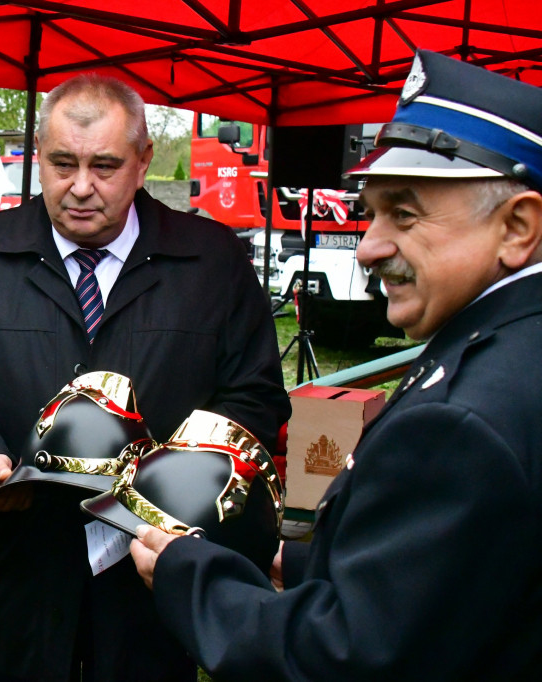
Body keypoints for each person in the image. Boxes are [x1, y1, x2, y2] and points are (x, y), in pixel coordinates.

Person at [131, 49, 542, 681]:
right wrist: (303, 563)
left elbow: (347, 657)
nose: (370, 246)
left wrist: (190, 576)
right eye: (372, 212)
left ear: (518, 227)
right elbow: (445, 579)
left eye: (403, 213)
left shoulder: (463, 420)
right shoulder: (511, 343)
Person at [0, 73, 290, 681]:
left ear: (144, 160)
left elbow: (254, 397)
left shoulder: (212, 262)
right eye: (62, 163)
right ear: (37, 155)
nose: (80, 188)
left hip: (151, 578)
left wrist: (163, 495)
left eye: (105, 166)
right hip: (18, 571)